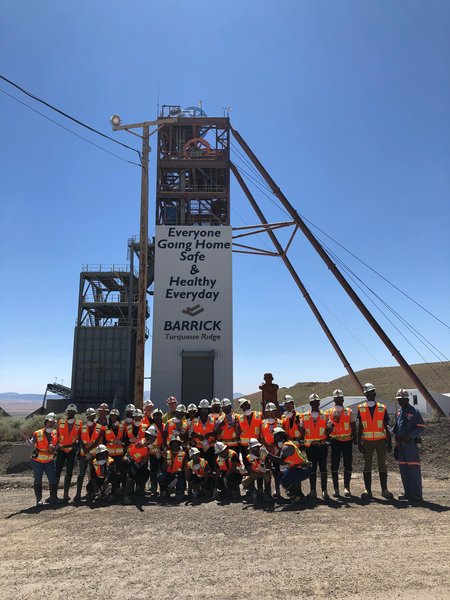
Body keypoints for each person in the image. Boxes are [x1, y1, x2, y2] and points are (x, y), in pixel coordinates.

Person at [357, 383, 393, 500]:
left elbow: (386, 426)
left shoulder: (382, 408)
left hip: (381, 441)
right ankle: (368, 491)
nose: (371, 394)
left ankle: (384, 490)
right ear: (365, 394)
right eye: (368, 393)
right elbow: (360, 427)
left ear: (375, 393)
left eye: (372, 392)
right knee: (367, 466)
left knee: (382, 465)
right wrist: (359, 441)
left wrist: (389, 441)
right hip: (367, 441)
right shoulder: (361, 408)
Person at [393, 388, 425, 502]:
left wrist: (410, 436)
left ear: (407, 399)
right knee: (404, 468)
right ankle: (408, 492)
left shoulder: (414, 411)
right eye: (399, 399)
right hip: (401, 445)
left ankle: (417, 494)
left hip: (410, 445)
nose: (401, 401)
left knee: (413, 468)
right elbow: (396, 429)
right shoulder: (399, 413)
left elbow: (421, 427)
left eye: (403, 399)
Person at [299, 393, 332, 500]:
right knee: (312, 469)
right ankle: (312, 491)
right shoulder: (304, 416)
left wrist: (329, 431)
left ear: (319, 403)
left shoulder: (325, 415)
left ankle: (324, 491)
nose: (315, 404)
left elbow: (329, 428)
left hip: (322, 446)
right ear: (310, 403)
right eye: (313, 403)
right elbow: (302, 431)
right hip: (310, 447)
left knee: (323, 468)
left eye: (316, 402)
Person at [265, 428, 310, 502]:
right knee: (280, 476)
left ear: (284, 436)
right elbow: (283, 462)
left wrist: (267, 454)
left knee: (285, 480)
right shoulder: (286, 445)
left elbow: (280, 460)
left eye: (280, 436)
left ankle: (299, 496)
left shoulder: (287, 446)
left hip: (302, 469)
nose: (278, 439)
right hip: (298, 468)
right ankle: (295, 494)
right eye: (276, 437)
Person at [25, 413, 60, 506]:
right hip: (37, 461)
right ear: (46, 422)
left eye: (53, 423)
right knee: (38, 479)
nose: (51, 424)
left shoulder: (55, 433)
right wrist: (27, 438)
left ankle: (53, 498)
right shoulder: (37, 433)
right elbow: (31, 444)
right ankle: (39, 500)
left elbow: (58, 445)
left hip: (49, 461)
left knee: (52, 479)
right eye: (50, 422)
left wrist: (55, 448)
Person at [328, 389, 357, 497]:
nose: (338, 401)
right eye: (336, 399)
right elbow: (327, 427)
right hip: (335, 441)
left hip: (347, 441)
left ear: (343, 400)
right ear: (334, 400)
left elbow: (353, 426)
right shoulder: (329, 412)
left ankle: (346, 487)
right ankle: (336, 489)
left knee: (348, 464)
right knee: (334, 465)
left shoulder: (349, 411)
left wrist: (355, 439)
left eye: (340, 399)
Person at [74, 408, 103, 503]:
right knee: (81, 474)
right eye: (89, 416)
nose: (91, 417)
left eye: (92, 415)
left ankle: (94, 491)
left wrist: (89, 452)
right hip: (84, 455)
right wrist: (86, 452)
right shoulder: (82, 428)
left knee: (93, 474)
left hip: (94, 455)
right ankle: (78, 494)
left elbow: (98, 440)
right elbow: (81, 441)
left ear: (95, 416)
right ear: (87, 416)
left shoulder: (99, 427)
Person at [55, 403, 82, 501]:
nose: (70, 413)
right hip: (61, 450)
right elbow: (56, 435)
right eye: (69, 411)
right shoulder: (60, 422)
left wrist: (77, 444)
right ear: (67, 412)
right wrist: (56, 445)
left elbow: (80, 437)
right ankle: (53, 495)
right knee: (57, 472)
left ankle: (65, 494)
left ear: (75, 413)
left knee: (69, 472)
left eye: (72, 412)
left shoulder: (79, 423)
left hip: (71, 451)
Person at [122, 428, 151, 504]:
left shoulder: (148, 447)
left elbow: (145, 458)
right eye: (151, 436)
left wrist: (140, 464)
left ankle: (140, 490)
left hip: (138, 463)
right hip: (130, 461)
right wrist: (144, 444)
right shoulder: (143, 441)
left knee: (146, 473)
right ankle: (126, 496)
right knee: (132, 475)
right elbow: (140, 444)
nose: (153, 438)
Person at [242, 438, 272, 505]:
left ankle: (266, 493)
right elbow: (248, 469)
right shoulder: (248, 457)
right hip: (254, 473)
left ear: (259, 447)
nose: (253, 451)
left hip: (264, 472)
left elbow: (268, 466)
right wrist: (244, 472)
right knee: (244, 481)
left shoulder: (264, 453)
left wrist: (264, 469)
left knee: (268, 476)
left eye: (255, 448)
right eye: (251, 449)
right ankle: (254, 492)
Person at [235, 398, 262, 469]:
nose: (245, 406)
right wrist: (236, 427)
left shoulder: (259, 415)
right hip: (245, 447)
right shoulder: (239, 418)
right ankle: (250, 480)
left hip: (256, 447)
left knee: (259, 466)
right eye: (243, 406)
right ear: (241, 408)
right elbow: (238, 433)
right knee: (248, 467)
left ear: (250, 403)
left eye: (246, 404)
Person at [104, 408, 126, 497]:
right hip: (110, 454)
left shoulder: (122, 427)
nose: (113, 418)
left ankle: (119, 490)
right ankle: (111, 491)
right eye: (112, 416)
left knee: (120, 472)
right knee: (111, 472)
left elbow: (125, 439)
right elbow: (104, 441)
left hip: (120, 454)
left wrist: (122, 442)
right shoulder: (106, 428)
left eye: (115, 416)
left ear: (118, 417)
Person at [158, 435, 187, 501]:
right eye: (173, 445)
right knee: (160, 476)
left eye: (177, 445)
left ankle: (179, 491)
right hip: (168, 474)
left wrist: (176, 478)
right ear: (170, 446)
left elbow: (184, 469)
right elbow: (163, 469)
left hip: (179, 475)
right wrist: (165, 459)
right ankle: (165, 490)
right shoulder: (165, 453)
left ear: (179, 446)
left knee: (179, 496)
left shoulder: (183, 454)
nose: (175, 447)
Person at [190, 399, 216, 467]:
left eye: (206, 409)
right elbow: (191, 433)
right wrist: (197, 436)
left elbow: (217, 433)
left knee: (210, 465)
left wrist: (210, 434)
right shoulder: (194, 420)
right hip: (199, 447)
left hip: (210, 447)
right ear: (200, 410)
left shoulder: (213, 420)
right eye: (202, 409)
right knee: (199, 465)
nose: (204, 410)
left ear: (208, 409)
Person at [145, 424, 164, 496]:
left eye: (152, 435)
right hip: (152, 458)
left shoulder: (158, 440)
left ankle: (162, 490)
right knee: (152, 473)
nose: (151, 437)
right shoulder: (146, 440)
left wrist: (159, 454)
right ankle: (153, 489)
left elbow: (161, 448)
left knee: (160, 473)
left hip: (159, 457)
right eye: (149, 435)